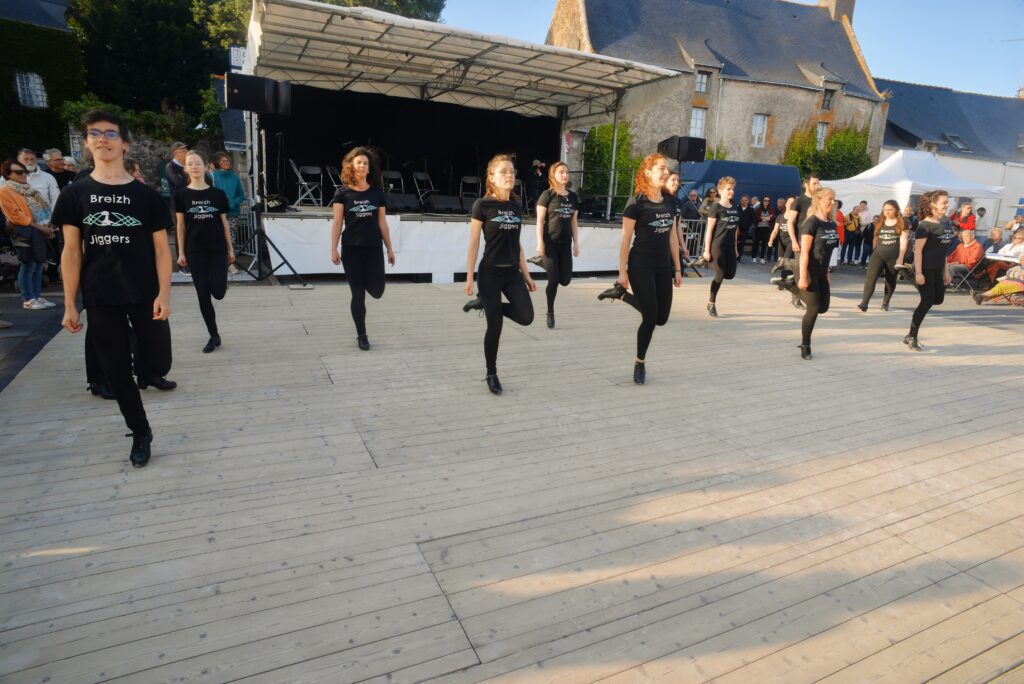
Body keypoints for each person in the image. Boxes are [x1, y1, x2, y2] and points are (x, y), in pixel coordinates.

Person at [54, 109, 173, 468]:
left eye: (110, 133)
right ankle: (140, 431)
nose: (102, 139)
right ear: (87, 143)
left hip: (144, 292)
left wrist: (164, 294)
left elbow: (161, 250)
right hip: (101, 294)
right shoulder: (76, 194)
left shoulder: (146, 196)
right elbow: (72, 251)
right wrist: (70, 305)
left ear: (124, 143)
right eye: (95, 134)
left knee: (159, 359)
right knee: (116, 370)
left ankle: (140, 353)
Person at [597, 153, 682, 384]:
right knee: (650, 317)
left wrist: (677, 269)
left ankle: (621, 295)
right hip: (640, 265)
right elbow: (626, 240)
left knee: (662, 318)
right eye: (661, 169)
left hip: (663, 266)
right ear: (648, 172)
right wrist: (622, 272)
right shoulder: (636, 202)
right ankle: (640, 362)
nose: (666, 172)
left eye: (667, 169)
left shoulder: (669, 200)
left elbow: (673, 236)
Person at [463, 154, 536, 395]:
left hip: (512, 273)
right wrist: (469, 277)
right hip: (490, 274)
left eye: (512, 171)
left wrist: (526, 274)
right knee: (495, 326)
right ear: (491, 178)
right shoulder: (482, 205)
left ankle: (488, 304)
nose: (509, 175)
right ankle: (491, 372)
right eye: (504, 171)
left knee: (526, 317)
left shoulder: (516, 205)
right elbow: (474, 242)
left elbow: (518, 245)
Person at [330, 147, 396, 351]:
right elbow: (337, 222)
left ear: (369, 168)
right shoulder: (342, 193)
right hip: (351, 249)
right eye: (359, 162)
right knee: (358, 294)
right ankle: (362, 334)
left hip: (373, 248)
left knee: (377, 291)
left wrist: (390, 249)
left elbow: (383, 223)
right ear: (352, 166)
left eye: (365, 163)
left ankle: (366, 282)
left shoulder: (377, 194)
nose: (362, 165)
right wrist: (333, 249)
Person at [175, 150, 235, 353]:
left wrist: (230, 248)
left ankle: (215, 285)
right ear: (186, 168)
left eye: (197, 163)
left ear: (205, 166)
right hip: (194, 250)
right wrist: (181, 252)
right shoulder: (181, 195)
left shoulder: (217, 195)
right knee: (202, 294)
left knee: (217, 291)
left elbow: (224, 223)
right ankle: (213, 335)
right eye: (190, 163)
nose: (194, 166)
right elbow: (180, 225)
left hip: (217, 248)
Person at [528, 161, 579, 329]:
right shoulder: (547, 195)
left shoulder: (573, 197)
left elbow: (574, 222)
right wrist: (539, 243)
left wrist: (576, 243)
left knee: (565, 280)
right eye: (561, 172)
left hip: (565, 245)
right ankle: (550, 312)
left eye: (566, 172)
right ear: (553, 175)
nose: (564, 175)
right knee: (554, 280)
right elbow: (540, 222)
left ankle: (541, 261)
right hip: (549, 244)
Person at [0, 159, 56, 310]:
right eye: (19, 172)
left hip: (36, 229)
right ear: (8, 175)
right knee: (27, 264)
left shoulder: (28, 189)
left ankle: (37, 296)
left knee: (38, 264)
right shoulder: (5, 191)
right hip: (22, 231)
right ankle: (28, 299)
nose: (24, 174)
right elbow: (16, 216)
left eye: (25, 171)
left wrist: (46, 227)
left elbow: (40, 212)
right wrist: (40, 227)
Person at [904, 189, 954, 351]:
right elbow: (918, 251)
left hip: (938, 269)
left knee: (937, 299)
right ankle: (912, 335)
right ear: (933, 204)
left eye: (947, 202)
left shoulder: (945, 224)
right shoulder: (924, 226)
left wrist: (946, 271)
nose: (947, 205)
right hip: (924, 269)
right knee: (926, 302)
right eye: (944, 202)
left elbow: (944, 250)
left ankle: (910, 333)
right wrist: (918, 273)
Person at [793, 187, 840, 359]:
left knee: (824, 308)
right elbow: (804, 252)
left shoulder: (832, 224)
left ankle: (793, 287)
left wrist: (827, 272)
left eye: (834, 199)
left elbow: (828, 252)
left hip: (822, 271)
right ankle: (805, 345)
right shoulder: (811, 223)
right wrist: (804, 275)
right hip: (808, 270)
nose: (833, 203)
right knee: (813, 309)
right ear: (818, 200)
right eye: (830, 199)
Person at [857, 200, 909, 312]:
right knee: (870, 278)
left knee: (890, 279)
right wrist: (874, 250)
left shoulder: (903, 222)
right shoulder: (881, 221)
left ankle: (886, 302)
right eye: (885, 209)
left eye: (890, 210)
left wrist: (900, 258)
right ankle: (864, 303)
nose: (887, 212)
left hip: (893, 255)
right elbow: (876, 237)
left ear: (896, 210)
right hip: (878, 254)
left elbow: (904, 240)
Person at [701, 176, 740, 317]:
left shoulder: (735, 207)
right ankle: (711, 303)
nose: (731, 192)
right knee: (720, 274)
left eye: (732, 189)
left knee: (730, 274)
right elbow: (709, 230)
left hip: (730, 246)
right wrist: (706, 250)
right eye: (728, 189)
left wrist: (735, 248)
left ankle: (706, 263)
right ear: (721, 190)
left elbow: (735, 229)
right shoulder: (716, 207)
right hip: (717, 246)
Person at [211, 151, 247, 274]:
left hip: (232, 213)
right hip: (215, 214)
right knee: (216, 238)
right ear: (217, 163)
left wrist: (232, 204)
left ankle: (230, 264)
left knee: (231, 239)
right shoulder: (212, 176)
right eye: (223, 161)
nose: (227, 162)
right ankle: (218, 264)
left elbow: (241, 195)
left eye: (227, 160)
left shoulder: (234, 177)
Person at [664, 171, 690, 264]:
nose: (676, 182)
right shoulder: (661, 198)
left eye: (677, 180)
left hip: (673, 243)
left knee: (678, 272)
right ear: (665, 181)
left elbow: (678, 225)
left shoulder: (677, 200)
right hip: (662, 243)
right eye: (673, 180)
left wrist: (683, 246)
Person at [165, 141, 189, 221]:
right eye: (183, 151)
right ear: (175, 153)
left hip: (191, 201)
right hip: (178, 204)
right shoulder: (170, 167)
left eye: (186, 149)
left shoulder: (189, 165)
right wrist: (187, 172)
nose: (187, 152)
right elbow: (179, 183)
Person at [752, 195, 774, 263]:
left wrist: (764, 218)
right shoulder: (758, 209)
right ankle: (754, 257)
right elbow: (757, 218)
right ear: (762, 201)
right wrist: (767, 218)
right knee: (756, 243)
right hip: (758, 228)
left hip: (766, 228)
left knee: (764, 244)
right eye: (765, 200)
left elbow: (772, 218)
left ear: (769, 202)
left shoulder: (771, 209)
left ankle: (762, 258)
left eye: (768, 201)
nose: (766, 202)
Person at [736, 195, 755, 263]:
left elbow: (752, 220)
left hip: (744, 230)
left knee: (741, 244)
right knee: (735, 244)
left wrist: (746, 225)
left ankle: (738, 258)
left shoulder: (751, 210)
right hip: (735, 229)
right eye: (742, 200)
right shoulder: (737, 208)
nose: (743, 201)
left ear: (748, 201)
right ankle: (732, 257)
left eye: (745, 200)